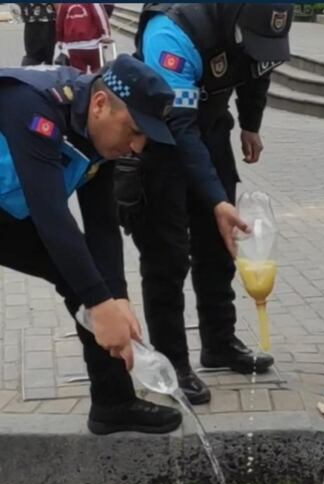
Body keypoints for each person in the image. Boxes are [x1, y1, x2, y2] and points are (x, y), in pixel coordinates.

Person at [0, 54, 182, 435]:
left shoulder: (97, 133)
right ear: (100, 104)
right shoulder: (33, 105)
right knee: (89, 287)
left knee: (86, 278)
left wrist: (117, 298)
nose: (136, 147)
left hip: (8, 209)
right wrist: (100, 304)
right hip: (24, 207)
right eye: (134, 131)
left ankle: (113, 403)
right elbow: (51, 215)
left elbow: (102, 226)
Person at [123, 4, 293, 406]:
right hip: (160, 139)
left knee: (219, 246)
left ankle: (219, 342)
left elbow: (257, 67)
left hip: (211, 127)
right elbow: (179, 127)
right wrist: (215, 199)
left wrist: (250, 124)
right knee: (167, 256)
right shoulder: (171, 31)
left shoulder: (262, 19)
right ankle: (172, 363)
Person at [54, 3, 112, 73]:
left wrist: (60, 40)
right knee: (97, 71)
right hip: (93, 44)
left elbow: (59, 22)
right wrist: (106, 35)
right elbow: (100, 16)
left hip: (73, 46)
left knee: (77, 73)